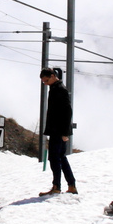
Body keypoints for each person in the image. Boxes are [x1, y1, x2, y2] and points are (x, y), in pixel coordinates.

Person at [40, 67, 77, 196]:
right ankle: (71, 185)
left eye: (46, 80)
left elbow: (67, 112)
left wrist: (65, 133)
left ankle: (57, 186)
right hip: (57, 130)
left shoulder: (60, 90)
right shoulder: (56, 88)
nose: (45, 83)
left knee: (54, 158)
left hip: (59, 131)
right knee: (60, 157)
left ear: (52, 76)